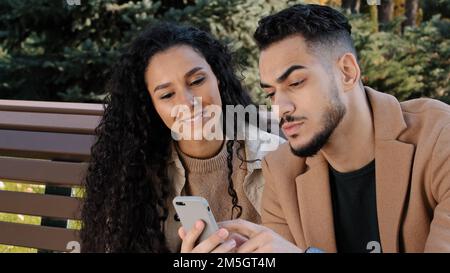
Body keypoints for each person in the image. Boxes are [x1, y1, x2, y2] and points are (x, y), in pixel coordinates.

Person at [180, 4, 450, 253]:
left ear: (346, 72)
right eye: (271, 93)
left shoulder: (439, 137)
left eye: (296, 83)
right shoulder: (281, 172)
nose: (280, 108)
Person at [80, 22, 283, 253]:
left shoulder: (276, 157)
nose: (187, 102)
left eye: (197, 81)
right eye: (167, 95)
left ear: (218, 77)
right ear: (151, 106)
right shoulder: (135, 175)